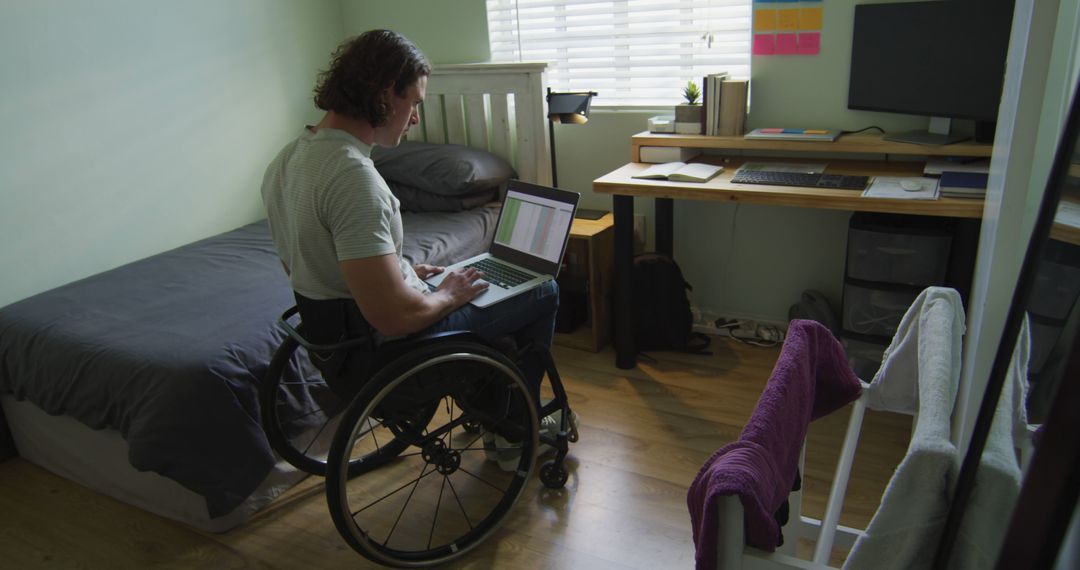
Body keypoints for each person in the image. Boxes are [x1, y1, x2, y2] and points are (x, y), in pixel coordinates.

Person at [260, 30, 573, 459]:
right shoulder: (354, 179)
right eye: (416, 103)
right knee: (541, 289)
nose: (415, 119)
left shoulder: (289, 159)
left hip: (336, 348)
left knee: (481, 284)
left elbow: (301, 264)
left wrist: (402, 272)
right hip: (385, 354)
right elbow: (393, 317)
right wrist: (447, 294)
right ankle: (514, 429)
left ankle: (494, 404)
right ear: (388, 94)